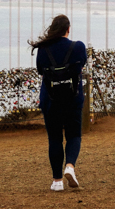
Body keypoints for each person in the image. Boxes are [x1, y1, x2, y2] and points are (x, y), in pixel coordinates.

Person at [30, 14, 87, 191]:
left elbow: (40, 70)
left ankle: (56, 182)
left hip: (50, 99)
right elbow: (81, 65)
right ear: (68, 29)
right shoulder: (78, 47)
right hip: (73, 98)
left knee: (54, 138)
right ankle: (70, 166)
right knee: (73, 135)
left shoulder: (43, 49)